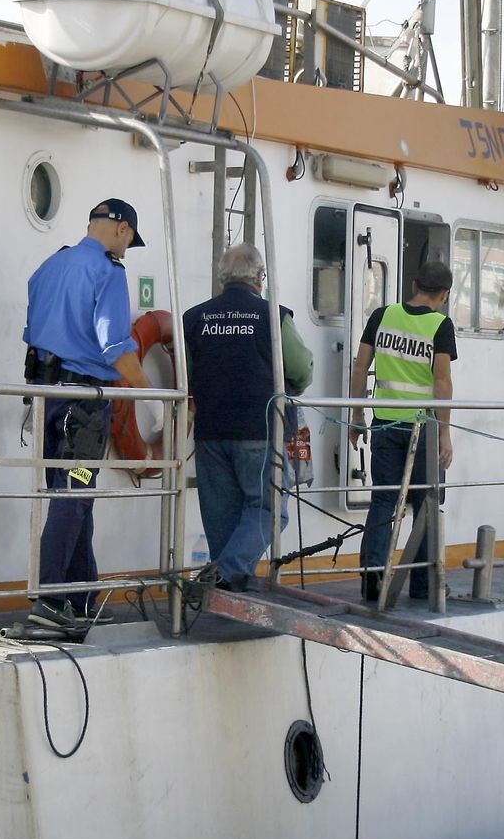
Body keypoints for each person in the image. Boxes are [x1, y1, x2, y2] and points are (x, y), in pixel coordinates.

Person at [23, 198, 152, 639]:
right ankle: (51, 598)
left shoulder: (52, 264)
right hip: (81, 404)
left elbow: (34, 326)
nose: (127, 249)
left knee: (76, 496)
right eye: (130, 240)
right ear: (120, 230)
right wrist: (153, 395)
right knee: (73, 497)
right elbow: (115, 345)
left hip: (44, 399)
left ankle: (79, 598)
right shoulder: (108, 272)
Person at [184, 243, 314, 591]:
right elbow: (302, 370)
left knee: (221, 516)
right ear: (260, 278)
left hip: (210, 431)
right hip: (261, 428)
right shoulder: (273, 316)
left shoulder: (195, 318)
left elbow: (186, 375)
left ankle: (225, 589)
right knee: (271, 509)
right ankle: (227, 574)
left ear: (222, 277)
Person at [350, 260, 457, 604]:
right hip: (422, 428)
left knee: (384, 500)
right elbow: (441, 381)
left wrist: (356, 414)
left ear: (414, 284)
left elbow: (360, 365)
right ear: (444, 294)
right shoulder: (441, 325)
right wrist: (445, 433)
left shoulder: (382, 316)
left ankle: (372, 579)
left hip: (384, 421)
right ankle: (424, 584)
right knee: (427, 502)